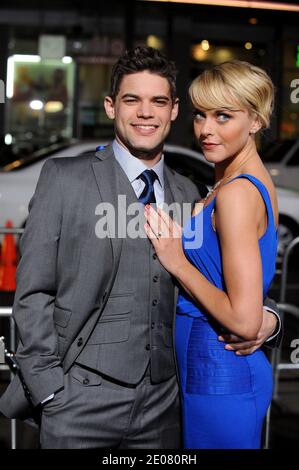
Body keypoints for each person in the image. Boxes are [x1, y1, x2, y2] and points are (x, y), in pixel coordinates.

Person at [0, 49, 280, 449]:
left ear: (173, 110)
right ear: (111, 107)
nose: (146, 113)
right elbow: (32, 292)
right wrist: (49, 390)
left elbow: (229, 277)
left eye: (159, 102)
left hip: (167, 405)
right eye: (132, 100)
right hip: (77, 403)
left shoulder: (191, 193)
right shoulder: (65, 179)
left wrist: (269, 319)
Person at [144, 60, 279, 449]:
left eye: (224, 116)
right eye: (201, 114)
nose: (206, 129)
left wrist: (177, 262)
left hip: (221, 372)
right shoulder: (229, 183)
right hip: (207, 367)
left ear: (255, 120)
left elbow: (243, 319)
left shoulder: (237, 194)